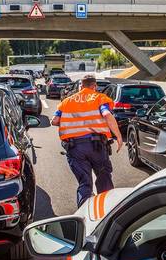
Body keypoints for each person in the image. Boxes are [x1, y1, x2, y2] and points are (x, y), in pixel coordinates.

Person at [52, 74, 123, 207]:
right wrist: (118, 136)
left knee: (85, 183)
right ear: (94, 86)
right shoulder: (100, 98)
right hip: (96, 146)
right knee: (104, 179)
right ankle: (108, 211)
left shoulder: (67, 101)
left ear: (81, 86)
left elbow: (55, 121)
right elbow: (107, 114)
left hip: (75, 148)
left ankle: (84, 215)